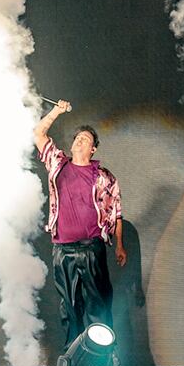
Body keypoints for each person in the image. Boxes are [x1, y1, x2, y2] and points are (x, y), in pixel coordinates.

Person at [34, 101, 126, 349]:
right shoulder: (58, 164)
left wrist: (119, 245)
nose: (78, 141)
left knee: (98, 305)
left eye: (85, 139)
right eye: (77, 138)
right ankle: (73, 356)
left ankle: (104, 355)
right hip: (63, 249)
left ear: (93, 148)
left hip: (91, 248)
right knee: (70, 306)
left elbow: (116, 212)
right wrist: (57, 111)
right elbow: (39, 134)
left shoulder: (104, 177)